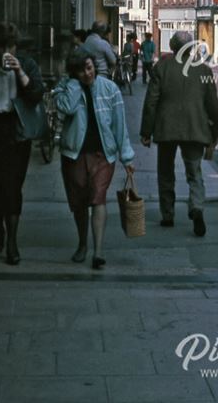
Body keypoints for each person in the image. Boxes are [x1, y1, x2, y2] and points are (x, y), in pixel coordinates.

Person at [53, 47, 135, 270]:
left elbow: (120, 125)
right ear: (74, 73)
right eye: (80, 71)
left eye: (89, 68)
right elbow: (65, 108)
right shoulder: (68, 88)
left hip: (103, 155)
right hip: (74, 154)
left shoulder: (110, 89)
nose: (87, 74)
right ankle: (82, 244)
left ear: (94, 66)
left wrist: (127, 157)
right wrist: (72, 85)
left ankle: (98, 251)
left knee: (98, 198)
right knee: (79, 203)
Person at [140, 31, 218, 236]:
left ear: (172, 47)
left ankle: (168, 214)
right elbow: (213, 106)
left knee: (165, 171)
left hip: (166, 127)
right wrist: (214, 135)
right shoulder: (203, 69)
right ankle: (197, 207)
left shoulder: (162, 68)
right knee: (194, 172)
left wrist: (146, 131)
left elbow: (151, 101)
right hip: (195, 127)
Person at [0, 23, 44, 266]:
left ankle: (12, 240)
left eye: (9, 46)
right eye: (1, 47)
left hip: (15, 130)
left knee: (13, 186)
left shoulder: (25, 62)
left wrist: (20, 72)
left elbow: (36, 95)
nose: (5, 52)